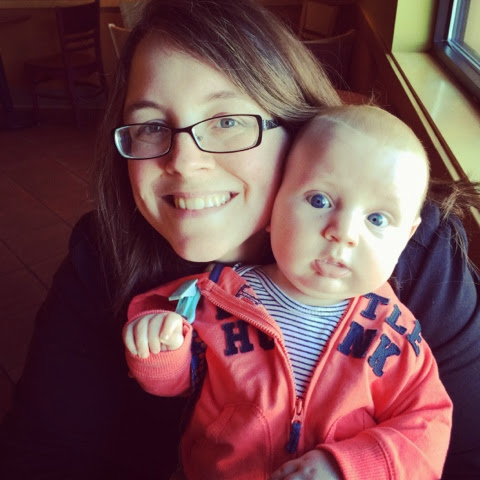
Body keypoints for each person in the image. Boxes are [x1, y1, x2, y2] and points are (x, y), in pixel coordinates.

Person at [0, 1, 478, 479]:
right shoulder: (103, 253)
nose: (183, 162)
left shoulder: (411, 249)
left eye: (227, 121)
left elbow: (459, 450)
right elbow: (43, 455)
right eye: (152, 126)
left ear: (295, 128)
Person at [124, 105, 453, 479]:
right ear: (274, 202)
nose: (343, 232)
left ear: (406, 237)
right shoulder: (218, 297)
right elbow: (177, 382)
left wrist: (345, 467)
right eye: (319, 200)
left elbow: (428, 428)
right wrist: (159, 350)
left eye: (377, 219)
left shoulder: (394, 334)